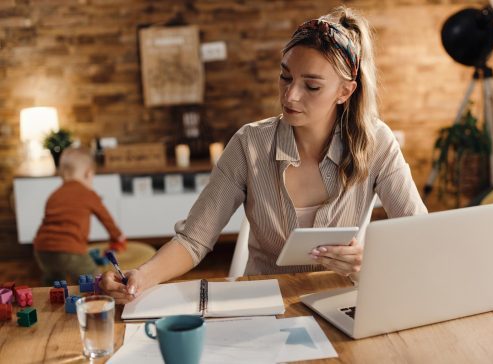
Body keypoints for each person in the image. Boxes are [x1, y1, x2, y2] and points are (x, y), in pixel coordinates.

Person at [101, 6, 427, 304]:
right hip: (263, 307)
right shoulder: (249, 144)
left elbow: (421, 237)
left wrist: (367, 258)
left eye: (311, 86)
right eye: (286, 76)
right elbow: (194, 240)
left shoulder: (377, 143)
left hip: (346, 303)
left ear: (345, 91)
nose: (290, 94)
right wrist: (141, 277)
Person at [34, 147, 126, 285]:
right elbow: (106, 218)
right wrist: (117, 235)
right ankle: (95, 301)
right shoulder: (88, 194)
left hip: (42, 250)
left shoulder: (54, 195)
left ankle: (50, 299)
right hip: (71, 250)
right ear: (88, 174)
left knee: (55, 282)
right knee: (94, 279)